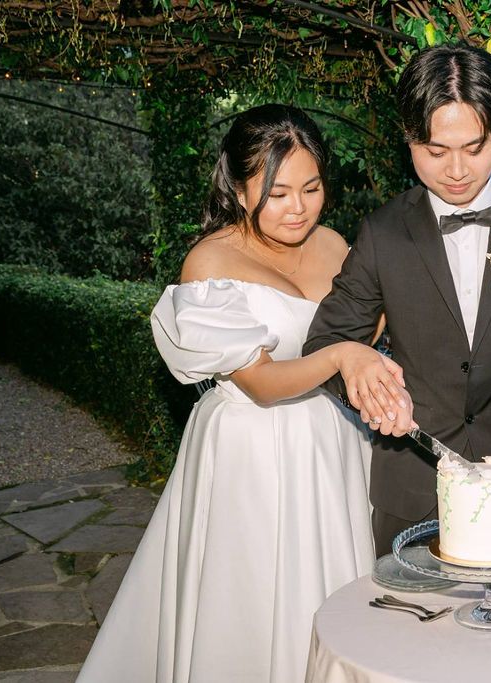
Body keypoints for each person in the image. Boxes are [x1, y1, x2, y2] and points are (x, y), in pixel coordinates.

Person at [78, 104, 403, 683]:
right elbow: (261, 383)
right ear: (235, 184)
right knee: (249, 601)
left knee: (333, 591)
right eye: (277, 193)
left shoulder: (331, 242)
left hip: (330, 442)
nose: (298, 208)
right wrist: (340, 356)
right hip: (251, 449)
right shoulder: (209, 263)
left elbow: (371, 323)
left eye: (312, 187)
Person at [304, 44, 491, 557]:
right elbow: (324, 342)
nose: (456, 169)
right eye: (435, 152)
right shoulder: (382, 233)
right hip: (411, 492)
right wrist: (358, 373)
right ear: (409, 140)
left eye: (474, 148)